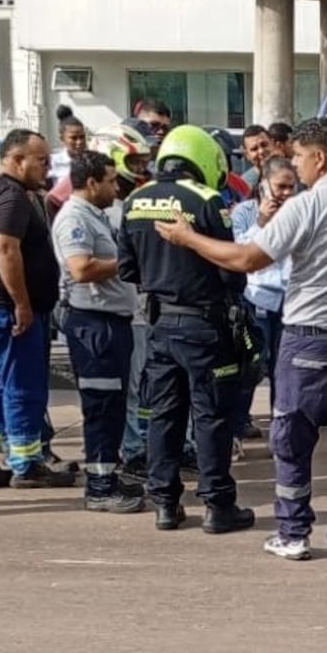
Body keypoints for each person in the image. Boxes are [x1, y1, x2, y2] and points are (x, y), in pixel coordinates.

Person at [154, 117, 327, 568]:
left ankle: (294, 534)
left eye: (297, 157)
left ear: (320, 157)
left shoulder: (306, 207)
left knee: (293, 438)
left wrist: (188, 238)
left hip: (308, 338)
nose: (294, 166)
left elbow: (247, 259)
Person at [118, 125, 256, 535]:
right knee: (211, 415)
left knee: (164, 414)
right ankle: (218, 505)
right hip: (204, 324)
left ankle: (165, 503)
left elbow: (127, 269)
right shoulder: (208, 199)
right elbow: (232, 271)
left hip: (159, 324)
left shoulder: (135, 200)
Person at [0, 129, 76, 489]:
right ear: (18, 159)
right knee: (22, 388)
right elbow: (5, 249)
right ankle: (26, 463)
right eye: (41, 160)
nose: (48, 168)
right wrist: (22, 304)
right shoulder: (11, 196)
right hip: (3, 311)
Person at [51, 152, 145, 513]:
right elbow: (80, 268)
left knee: (114, 406)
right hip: (93, 326)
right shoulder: (74, 218)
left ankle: (107, 474)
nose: (116, 187)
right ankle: (100, 487)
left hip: (111, 323)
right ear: (91, 183)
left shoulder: (96, 215)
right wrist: (127, 262)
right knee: (101, 407)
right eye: (110, 180)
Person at [230, 156, 299, 439]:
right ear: (264, 185)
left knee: (283, 369)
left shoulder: (299, 211)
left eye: (291, 187)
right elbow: (238, 252)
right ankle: (237, 426)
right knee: (252, 365)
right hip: (255, 298)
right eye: (280, 187)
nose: (286, 193)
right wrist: (261, 221)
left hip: (290, 301)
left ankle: (281, 429)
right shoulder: (244, 212)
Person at [48, 106, 88, 184]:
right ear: (62, 139)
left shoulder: (92, 161)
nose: (79, 142)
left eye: (82, 137)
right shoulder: (52, 162)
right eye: (74, 138)